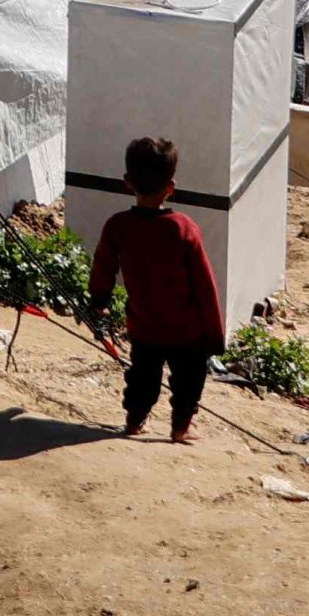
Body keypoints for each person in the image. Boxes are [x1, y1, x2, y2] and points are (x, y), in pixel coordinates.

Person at [89, 136, 225, 442]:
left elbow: (103, 268)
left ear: (127, 182)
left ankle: (135, 422)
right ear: (171, 186)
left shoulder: (118, 226)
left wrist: (99, 301)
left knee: (142, 378)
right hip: (187, 332)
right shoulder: (184, 228)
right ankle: (180, 429)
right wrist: (214, 336)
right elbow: (205, 286)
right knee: (189, 383)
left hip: (144, 326)